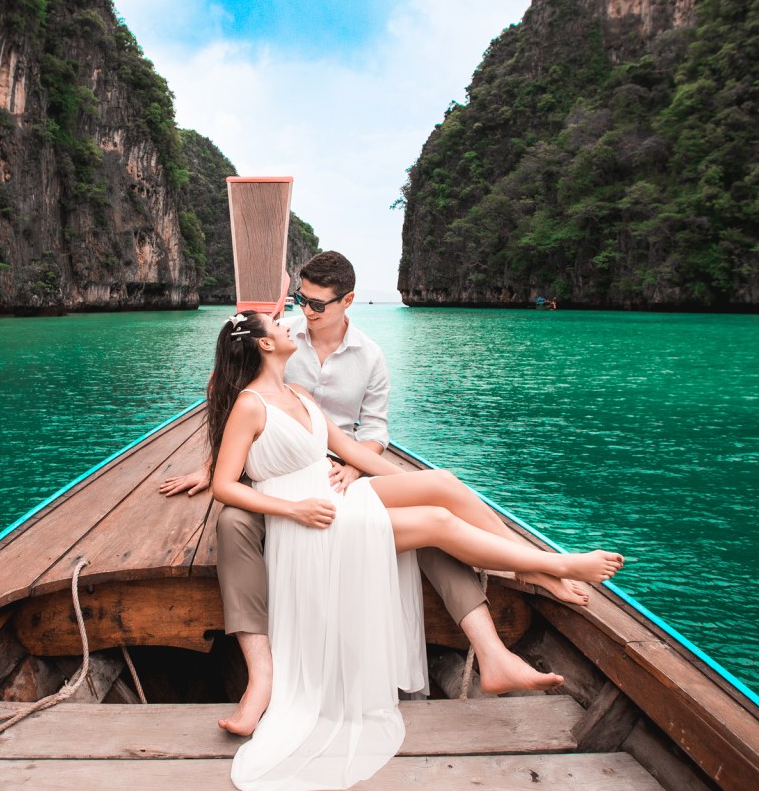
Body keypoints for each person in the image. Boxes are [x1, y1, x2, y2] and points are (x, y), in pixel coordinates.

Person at [162, 252, 587, 737]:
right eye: (299, 300)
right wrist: (214, 466)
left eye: (316, 303)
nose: (304, 311)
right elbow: (234, 405)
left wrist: (377, 478)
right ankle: (261, 677)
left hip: (340, 469)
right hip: (281, 483)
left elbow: (371, 433)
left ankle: (524, 584)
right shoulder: (277, 352)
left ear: (347, 301)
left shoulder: (366, 357)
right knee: (231, 521)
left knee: (439, 496)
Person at [207, 310, 625, 791]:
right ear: (263, 345)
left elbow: (354, 452)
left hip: (339, 498)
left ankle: (534, 573)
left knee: (442, 487)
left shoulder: (299, 394)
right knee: (438, 522)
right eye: (277, 326)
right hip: (307, 524)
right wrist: (294, 510)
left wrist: (418, 485)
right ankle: (551, 567)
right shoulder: (250, 405)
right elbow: (224, 485)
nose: (288, 326)